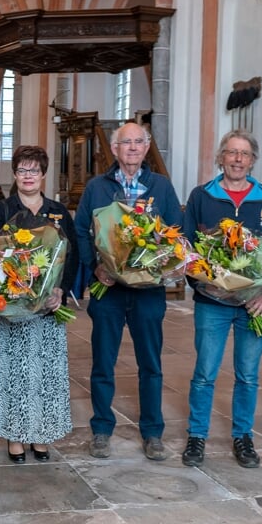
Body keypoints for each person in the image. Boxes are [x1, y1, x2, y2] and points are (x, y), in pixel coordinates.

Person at [75, 121, 182, 462]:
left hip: (148, 290)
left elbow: (175, 233)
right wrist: (95, 266)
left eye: (139, 142)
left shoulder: (161, 187)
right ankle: (101, 429)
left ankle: (152, 432)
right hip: (109, 289)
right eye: (126, 143)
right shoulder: (97, 187)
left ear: (147, 147)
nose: (133, 148)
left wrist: (167, 266)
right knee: (103, 362)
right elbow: (81, 230)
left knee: (150, 363)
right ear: (115, 149)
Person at [180, 130, 262, 469]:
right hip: (213, 304)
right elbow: (187, 248)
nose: (238, 159)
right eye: (231, 152)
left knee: (248, 375)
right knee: (204, 374)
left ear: (253, 160)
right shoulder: (201, 196)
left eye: (244, 154)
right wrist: (206, 281)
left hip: (255, 306)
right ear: (220, 158)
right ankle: (197, 436)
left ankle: (243, 436)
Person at [0, 146, 79, 463]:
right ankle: (14, 436)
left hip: (49, 310)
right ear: (15, 174)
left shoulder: (57, 210)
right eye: (22, 170)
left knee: (46, 375)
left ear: (43, 174)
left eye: (33, 170)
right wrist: (14, 287)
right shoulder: (3, 209)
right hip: (14, 308)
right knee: (16, 374)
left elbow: (72, 254)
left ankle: (41, 435)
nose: (28, 176)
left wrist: (60, 291)